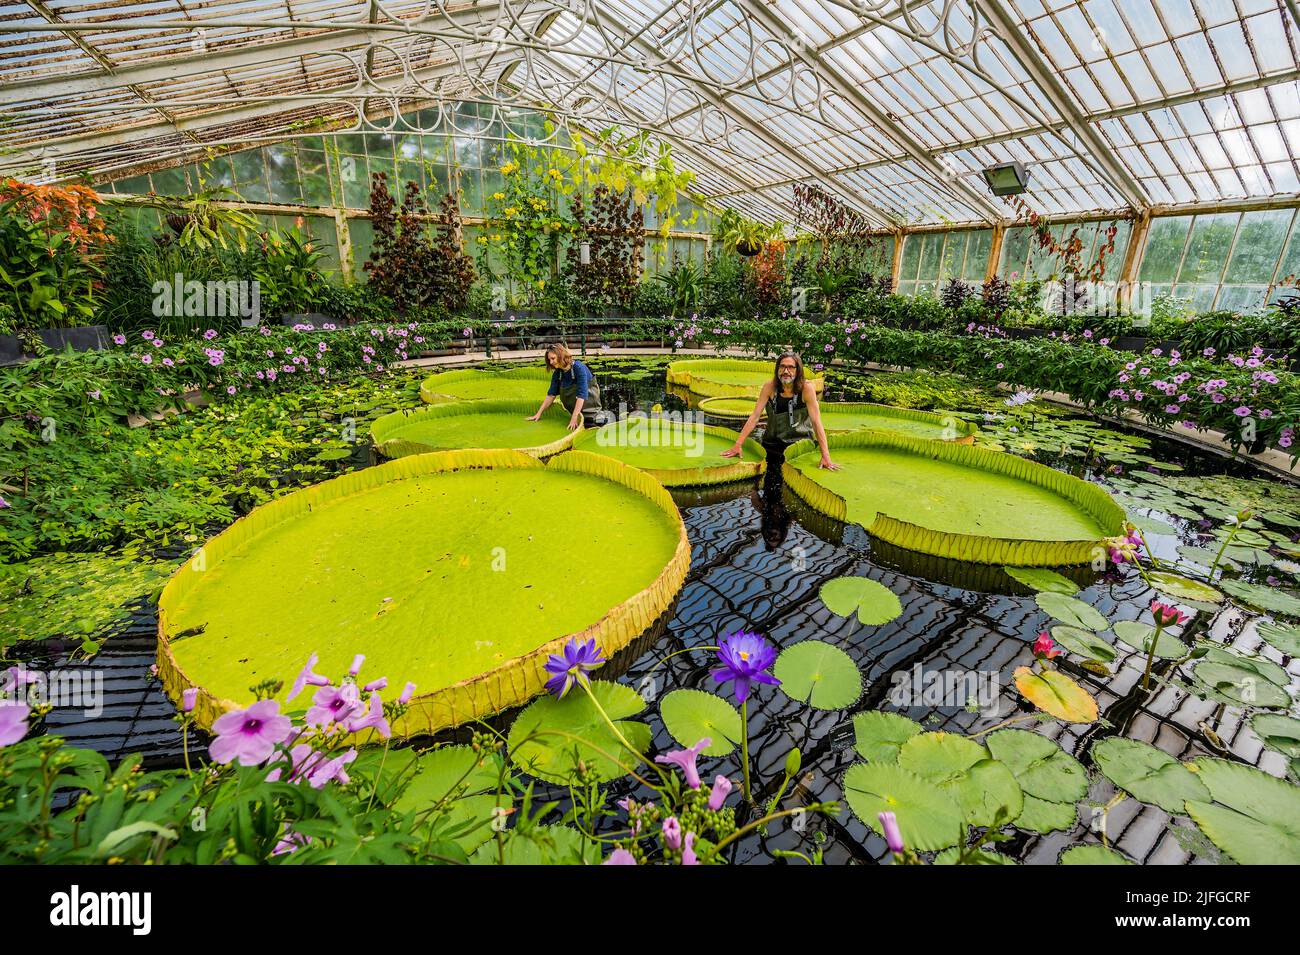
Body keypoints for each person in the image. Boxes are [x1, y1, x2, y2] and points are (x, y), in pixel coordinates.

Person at [721, 351, 838, 479]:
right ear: (777, 369)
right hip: (772, 444)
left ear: (798, 370)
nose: (786, 371)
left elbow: (816, 422)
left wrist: (825, 456)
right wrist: (738, 444)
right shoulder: (769, 387)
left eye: (791, 367)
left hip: (799, 446)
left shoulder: (806, 388)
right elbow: (755, 416)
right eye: (782, 366)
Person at [527, 343, 604, 430]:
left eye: (553, 358)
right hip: (572, 414)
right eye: (549, 360)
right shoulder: (557, 373)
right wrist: (538, 414)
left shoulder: (579, 368)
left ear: (561, 356)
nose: (551, 362)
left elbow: (582, 395)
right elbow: (551, 395)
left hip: (591, 416)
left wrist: (574, 419)